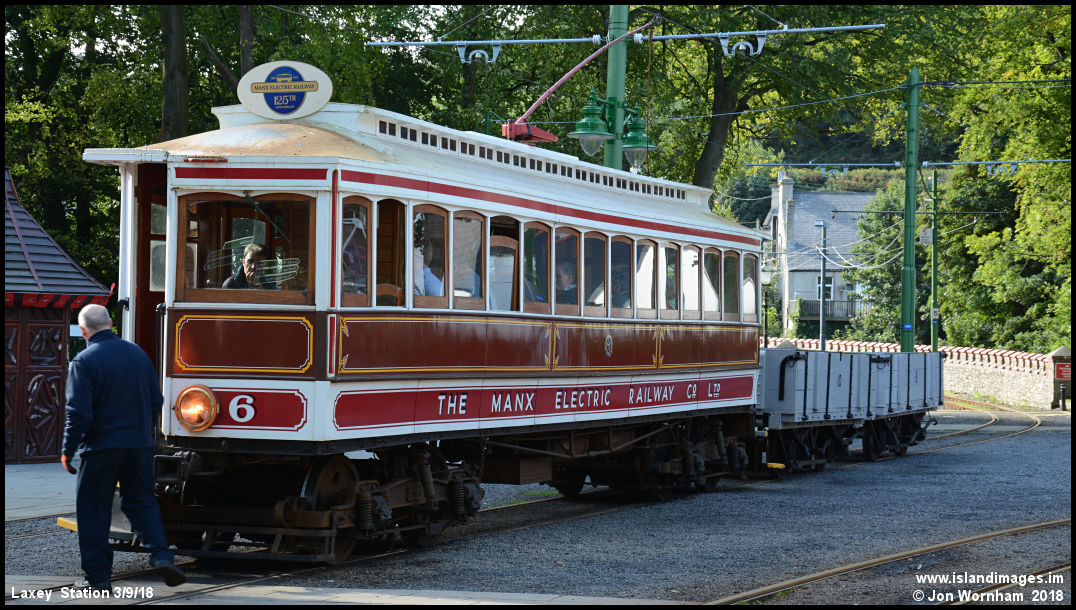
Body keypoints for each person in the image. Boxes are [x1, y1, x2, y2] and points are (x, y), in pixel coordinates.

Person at [62, 304, 186, 591]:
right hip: (139, 447)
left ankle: (98, 578)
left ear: (83, 331)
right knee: (141, 501)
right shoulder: (137, 355)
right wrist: (144, 432)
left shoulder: (84, 361)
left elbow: (78, 413)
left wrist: (68, 449)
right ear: (110, 324)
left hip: (101, 448)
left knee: (94, 509)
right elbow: (156, 400)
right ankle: (161, 555)